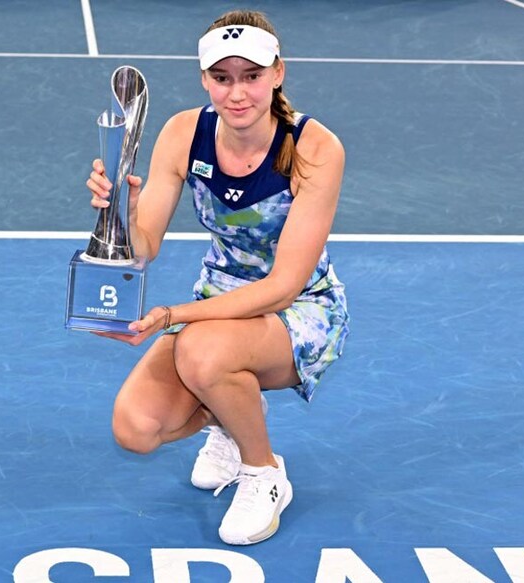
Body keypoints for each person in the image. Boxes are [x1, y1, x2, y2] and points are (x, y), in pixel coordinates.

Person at [85, 9, 349, 545]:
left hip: (301, 310)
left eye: (251, 76)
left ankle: (263, 472)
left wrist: (172, 317)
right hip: (218, 302)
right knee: (135, 430)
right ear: (204, 78)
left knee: (202, 351)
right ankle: (231, 415)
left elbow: (283, 286)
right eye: (222, 78)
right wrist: (120, 211)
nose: (237, 94)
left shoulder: (315, 148)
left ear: (278, 73)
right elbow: (145, 246)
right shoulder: (185, 132)